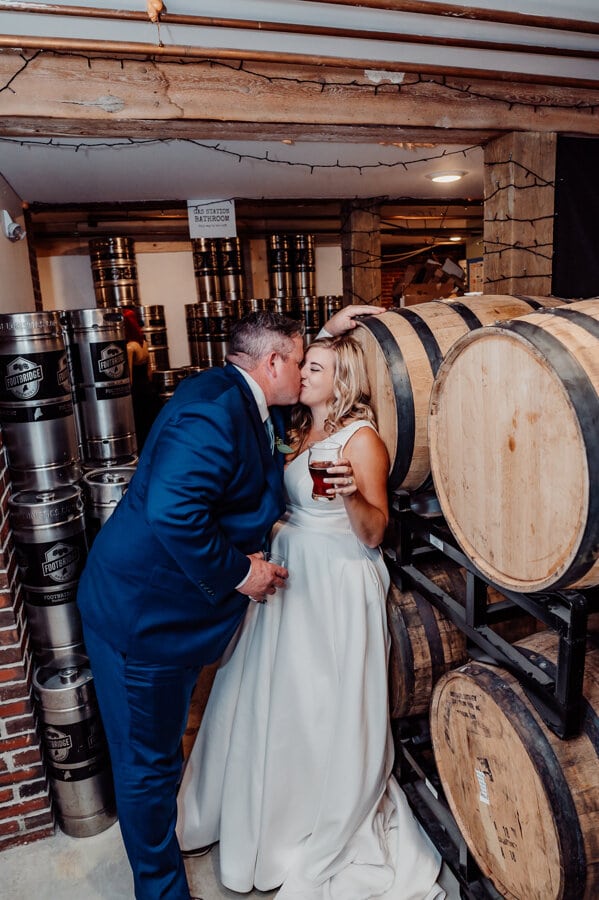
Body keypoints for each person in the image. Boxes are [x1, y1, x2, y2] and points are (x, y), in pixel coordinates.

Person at [76, 303, 382, 900]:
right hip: (145, 620)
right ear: (272, 362)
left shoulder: (232, 387)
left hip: (166, 611)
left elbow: (291, 370)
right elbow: (173, 512)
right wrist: (242, 573)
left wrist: (323, 335)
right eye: (298, 363)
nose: (303, 373)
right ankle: (160, 891)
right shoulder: (217, 414)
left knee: (156, 755)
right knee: (148, 765)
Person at [176, 335, 445, 900]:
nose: (300, 373)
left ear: (340, 378)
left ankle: (310, 817)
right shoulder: (300, 432)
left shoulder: (362, 439)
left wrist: (350, 495)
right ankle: (253, 812)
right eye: (302, 364)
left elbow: (375, 534)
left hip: (335, 580)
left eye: (314, 367)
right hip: (289, 572)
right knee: (274, 698)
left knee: (322, 700)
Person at [121, 305, 163, 451]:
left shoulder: (129, 347)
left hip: (137, 393)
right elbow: (149, 370)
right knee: (150, 426)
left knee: (139, 429)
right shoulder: (143, 342)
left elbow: (129, 377)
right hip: (148, 389)